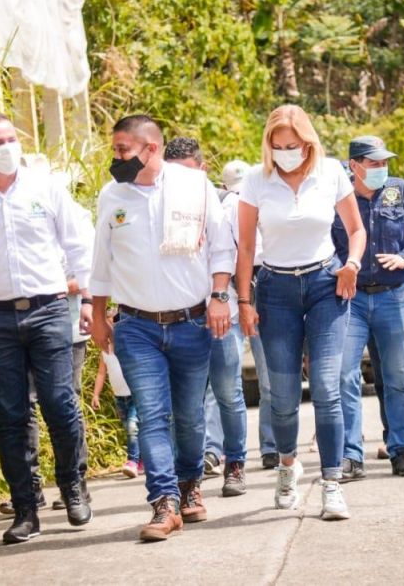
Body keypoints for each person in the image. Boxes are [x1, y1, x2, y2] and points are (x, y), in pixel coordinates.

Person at [0, 113, 92, 544]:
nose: (9, 147)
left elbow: (76, 246)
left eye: (13, 139)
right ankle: (26, 507)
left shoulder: (46, 189)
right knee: (11, 415)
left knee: (59, 404)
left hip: (49, 311)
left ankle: (73, 487)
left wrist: (85, 301)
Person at [90, 115, 234, 542]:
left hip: (191, 323)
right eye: (114, 149)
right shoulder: (112, 196)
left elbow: (222, 248)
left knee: (189, 418)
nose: (115, 158)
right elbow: (102, 261)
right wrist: (98, 315)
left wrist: (220, 297)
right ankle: (164, 502)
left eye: (122, 150)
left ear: (151, 149)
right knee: (152, 415)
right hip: (136, 327)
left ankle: (190, 487)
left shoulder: (195, 187)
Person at [236, 104, 366, 521]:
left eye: (292, 146)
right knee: (284, 397)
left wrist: (353, 265)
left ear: (307, 143)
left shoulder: (329, 173)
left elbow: (356, 231)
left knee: (328, 388)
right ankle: (288, 466)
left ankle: (331, 484)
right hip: (275, 290)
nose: (285, 153)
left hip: (326, 284)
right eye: (277, 147)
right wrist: (243, 301)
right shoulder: (257, 181)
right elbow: (245, 247)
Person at [332, 135, 404, 479]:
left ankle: (401, 450)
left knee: (398, 378)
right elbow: (323, 242)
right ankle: (351, 455)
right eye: (373, 163)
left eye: (383, 162)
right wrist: (339, 266)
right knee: (345, 375)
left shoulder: (400, 190)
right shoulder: (337, 196)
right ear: (354, 166)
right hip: (351, 299)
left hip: (393, 296)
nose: (381, 168)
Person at [0, 169, 94, 516]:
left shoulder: (76, 219)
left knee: (63, 403)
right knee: (23, 406)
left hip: (65, 325)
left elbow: (86, 266)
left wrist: (55, 285)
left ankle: (75, 484)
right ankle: (32, 486)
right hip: (20, 324)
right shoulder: (17, 220)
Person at [163, 136, 248, 497]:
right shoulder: (155, 202)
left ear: (202, 170)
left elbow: (226, 251)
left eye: (188, 173)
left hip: (218, 313)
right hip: (176, 319)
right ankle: (187, 477)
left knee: (228, 393)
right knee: (184, 403)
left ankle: (236, 464)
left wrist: (227, 299)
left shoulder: (214, 199)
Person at [223, 158, 279, 470]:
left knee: (271, 378)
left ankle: (272, 445)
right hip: (236, 290)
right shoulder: (226, 208)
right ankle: (239, 452)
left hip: (269, 282)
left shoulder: (269, 199)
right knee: (235, 381)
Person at [92, 339, 142, 478]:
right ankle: (141, 459)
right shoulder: (104, 352)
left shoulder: (127, 346)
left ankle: (132, 461)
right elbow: (101, 373)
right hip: (119, 397)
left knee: (133, 427)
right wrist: (96, 394)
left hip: (134, 395)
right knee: (129, 428)